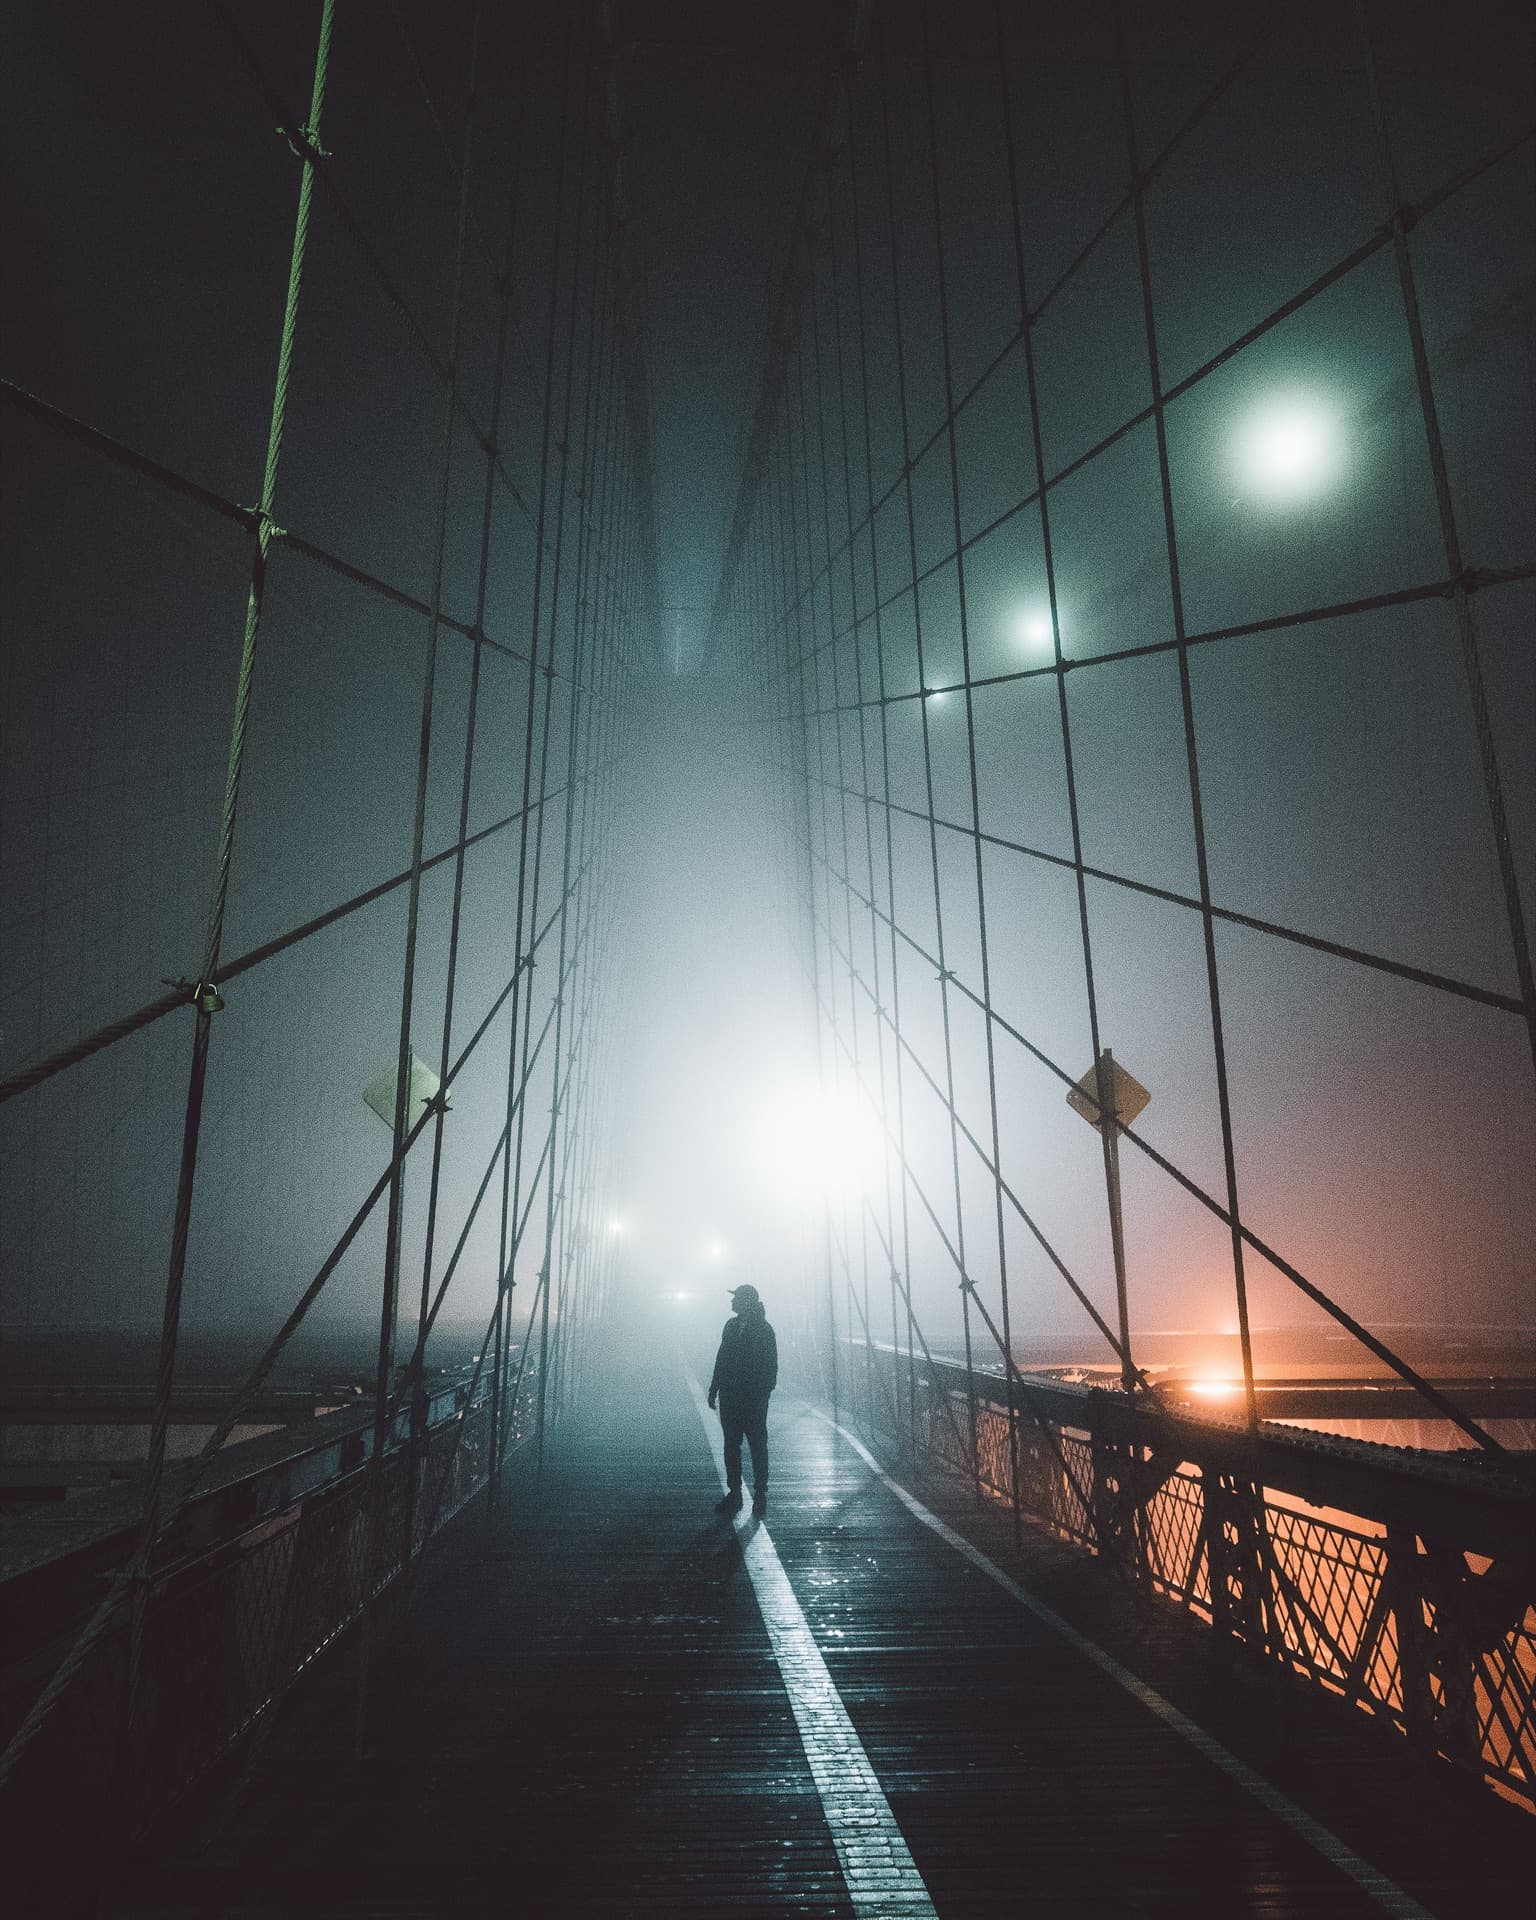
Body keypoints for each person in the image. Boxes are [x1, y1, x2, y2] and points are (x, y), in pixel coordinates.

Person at [706, 1283, 777, 1516]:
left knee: (756, 1445)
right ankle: (735, 1492)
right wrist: (715, 1387)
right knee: (732, 1446)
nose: (732, 1302)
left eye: (736, 1298)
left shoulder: (764, 1330)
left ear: (746, 1302)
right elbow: (722, 1358)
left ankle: (759, 1494)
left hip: (751, 1398)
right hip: (731, 1397)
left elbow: (770, 1367)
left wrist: (761, 1393)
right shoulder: (733, 1326)